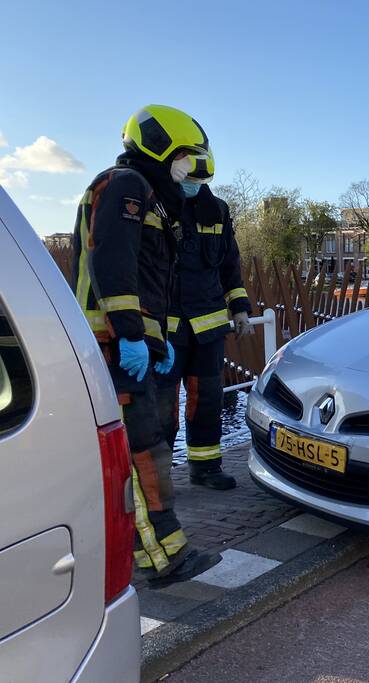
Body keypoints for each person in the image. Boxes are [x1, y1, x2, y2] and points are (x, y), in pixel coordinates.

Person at [71, 104, 221, 587]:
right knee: (140, 454)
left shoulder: (154, 200)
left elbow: (153, 278)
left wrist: (156, 338)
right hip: (114, 346)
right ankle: (162, 558)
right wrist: (132, 335)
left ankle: (154, 549)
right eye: (186, 163)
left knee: (146, 448)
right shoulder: (126, 186)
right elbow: (113, 265)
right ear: (158, 149)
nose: (191, 177)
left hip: (132, 345)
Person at [156, 151, 253, 490]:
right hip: (167, 329)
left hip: (208, 327)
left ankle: (206, 468)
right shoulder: (158, 207)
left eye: (200, 181)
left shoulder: (218, 211)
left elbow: (230, 263)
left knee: (207, 400)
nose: (194, 186)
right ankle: (159, 477)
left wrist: (239, 307)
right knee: (162, 407)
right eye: (189, 180)